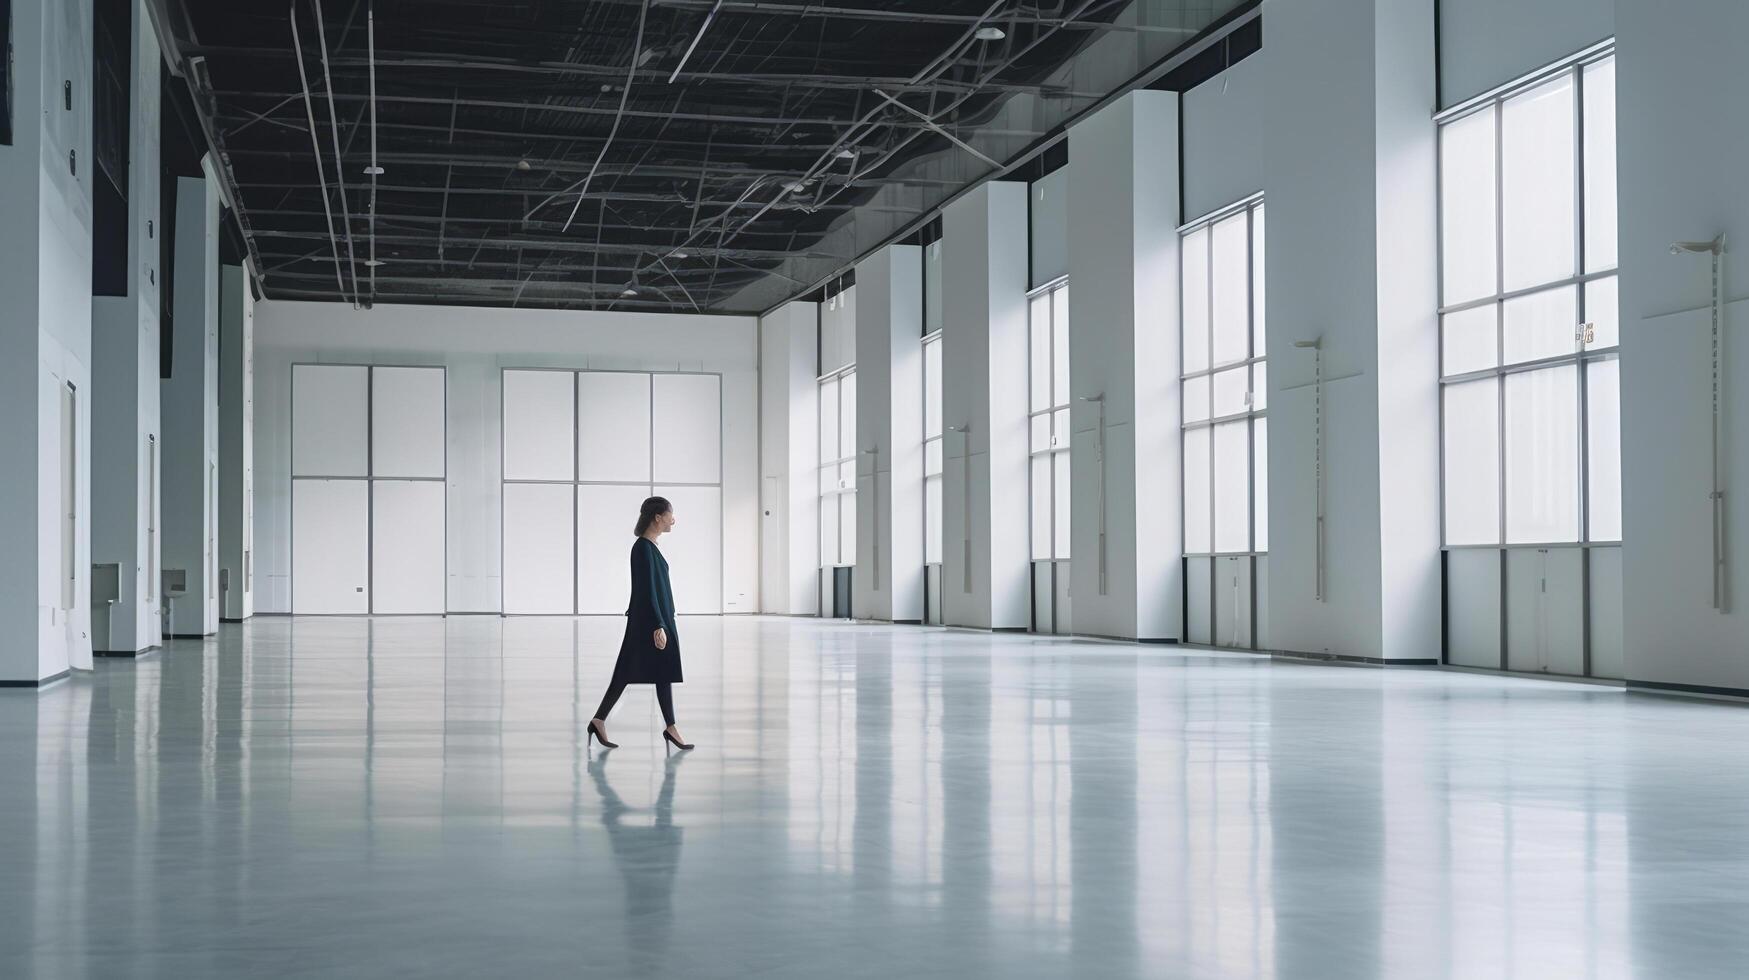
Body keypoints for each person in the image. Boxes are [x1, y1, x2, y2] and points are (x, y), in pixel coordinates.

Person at [589, 496, 694, 751]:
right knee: (634, 671)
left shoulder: (651, 547)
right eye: (671, 514)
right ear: (658, 517)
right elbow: (645, 590)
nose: (674, 520)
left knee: (655, 671)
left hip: (656, 619)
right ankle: (600, 720)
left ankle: (602, 721)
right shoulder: (642, 549)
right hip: (650, 622)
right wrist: (658, 624)